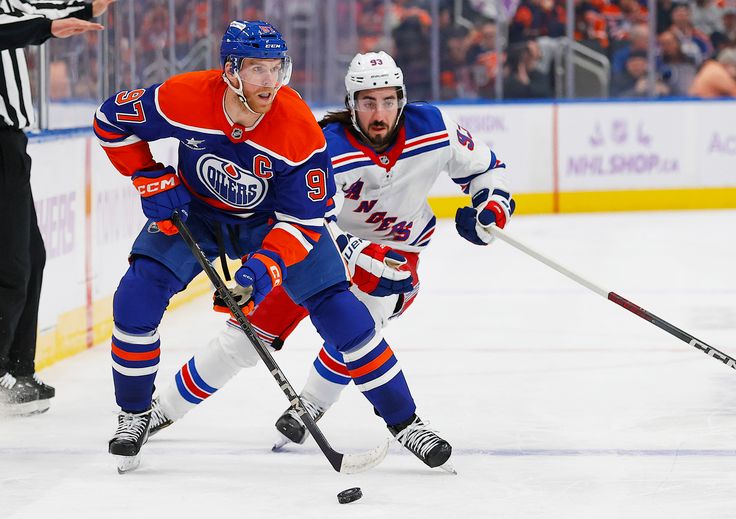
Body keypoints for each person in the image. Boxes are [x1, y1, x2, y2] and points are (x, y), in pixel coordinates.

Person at [94, 21, 456, 473]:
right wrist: (146, 174)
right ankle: (134, 415)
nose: (271, 81)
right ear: (230, 71)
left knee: (344, 315)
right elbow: (110, 120)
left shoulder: (298, 128)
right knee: (137, 294)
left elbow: (303, 223)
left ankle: (407, 424)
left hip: (273, 224)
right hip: (199, 215)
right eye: (257, 69)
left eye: (276, 68)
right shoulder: (181, 97)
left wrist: (262, 269)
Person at [146, 51, 514, 468]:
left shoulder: (435, 129)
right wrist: (355, 251)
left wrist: (491, 206)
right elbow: (307, 217)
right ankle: (164, 408)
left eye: (389, 101)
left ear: (402, 99)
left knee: (364, 323)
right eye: (368, 102)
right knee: (246, 336)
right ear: (351, 103)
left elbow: (488, 168)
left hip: (398, 254)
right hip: (319, 250)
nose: (380, 113)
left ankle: (313, 406)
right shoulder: (324, 145)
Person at [0, 0, 110, 415]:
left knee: (29, 256)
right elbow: (15, 24)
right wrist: (48, 27)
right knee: (10, 266)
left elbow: (34, 8)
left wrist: (84, 7)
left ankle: (17, 370)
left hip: (10, 143)